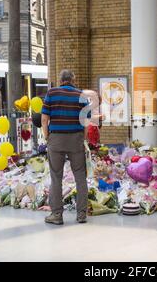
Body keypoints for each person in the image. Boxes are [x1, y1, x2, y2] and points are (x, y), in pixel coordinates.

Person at [41, 70, 91, 225]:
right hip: (75, 139)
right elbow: (86, 120)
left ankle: (56, 215)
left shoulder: (51, 93)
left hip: (56, 139)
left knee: (56, 177)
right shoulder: (80, 95)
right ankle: (81, 214)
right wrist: (83, 138)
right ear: (73, 79)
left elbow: (44, 118)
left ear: (60, 80)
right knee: (80, 177)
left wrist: (47, 136)